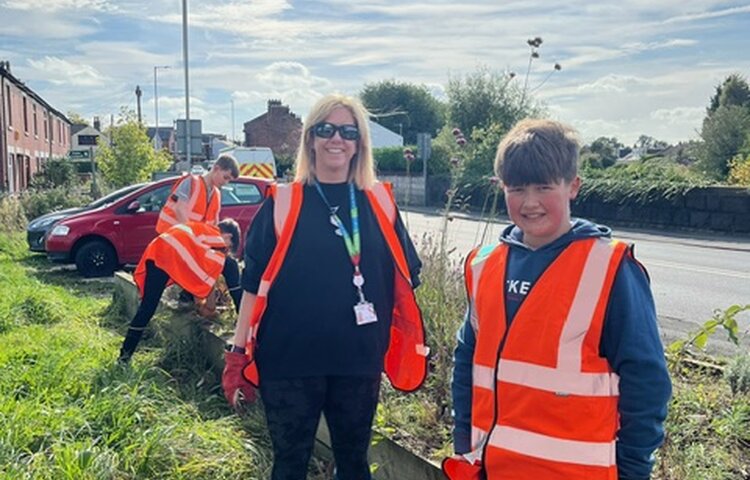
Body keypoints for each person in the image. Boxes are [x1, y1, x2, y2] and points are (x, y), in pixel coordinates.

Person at [443, 119, 671, 480]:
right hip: (494, 468)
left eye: (543, 187)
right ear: (502, 187)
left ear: (573, 186)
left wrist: (632, 469)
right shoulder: (484, 264)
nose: (529, 202)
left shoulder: (610, 267)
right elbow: (467, 357)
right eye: (517, 188)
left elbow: (647, 381)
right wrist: (463, 439)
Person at [222, 93, 428, 480]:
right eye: (326, 129)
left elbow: (404, 284)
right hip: (288, 362)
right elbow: (251, 286)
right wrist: (237, 353)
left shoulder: (380, 204)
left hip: (358, 363)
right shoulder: (282, 202)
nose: (337, 139)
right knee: (289, 466)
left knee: (353, 466)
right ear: (311, 139)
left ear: (359, 143)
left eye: (348, 131)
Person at [118, 218, 243, 362]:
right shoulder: (215, 237)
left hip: (157, 253)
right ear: (228, 236)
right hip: (169, 254)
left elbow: (200, 275)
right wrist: (210, 308)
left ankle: (124, 356)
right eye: (229, 247)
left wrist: (203, 304)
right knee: (231, 265)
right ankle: (244, 327)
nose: (225, 251)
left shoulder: (200, 232)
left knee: (147, 308)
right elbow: (207, 277)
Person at [155, 154, 240, 234]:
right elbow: (180, 210)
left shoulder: (216, 194)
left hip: (185, 240)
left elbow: (213, 224)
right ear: (216, 168)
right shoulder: (191, 182)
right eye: (225, 177)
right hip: (171, 235)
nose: (226, 182)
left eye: (229, 180)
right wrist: (192, 237)